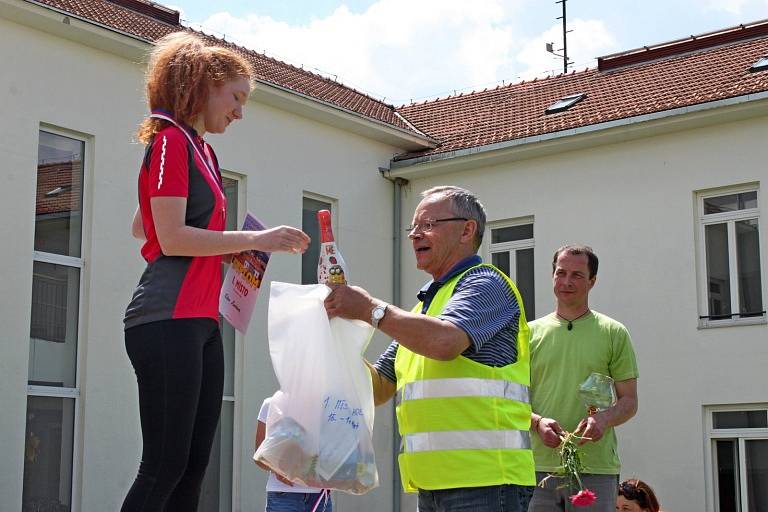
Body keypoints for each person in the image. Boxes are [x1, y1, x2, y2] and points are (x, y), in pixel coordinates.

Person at [122, 32, 309, 512]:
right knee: (163, 466)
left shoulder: (201, 150)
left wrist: (232, 255)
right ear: (204, 86)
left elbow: (143, 223)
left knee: (192, 467)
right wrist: (255, 240)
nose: (240, 112)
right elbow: (167, 237)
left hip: (203, 321)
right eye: (237, 98)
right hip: (167, 318)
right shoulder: (169, 142)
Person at [324, 186, 535, 512]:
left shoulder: (486, 284)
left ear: (468, 230)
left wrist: (369, 309)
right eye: (412, 227)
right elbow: (379, 386)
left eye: (428, 224)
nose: (415, 235)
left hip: (487, 483)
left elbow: (445, 342)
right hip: (434, 486)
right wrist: (334, 337)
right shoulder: (426, 309)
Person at [528, 245, 639, 512]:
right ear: (552, 276)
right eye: (560, 273)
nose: (567, 282)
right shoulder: (528, 334)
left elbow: (630, 402)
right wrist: (537, 422)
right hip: (536, 468)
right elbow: (510, 400)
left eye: (577, 275)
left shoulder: (614, 332)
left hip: (595, 468)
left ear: (592, 281)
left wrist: (603, 419)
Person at [254, 396, 332, 512]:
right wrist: (278, 469)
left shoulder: (326, 407)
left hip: (319, 496)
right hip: (284, 496)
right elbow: (259, 456)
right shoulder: (271, 404)